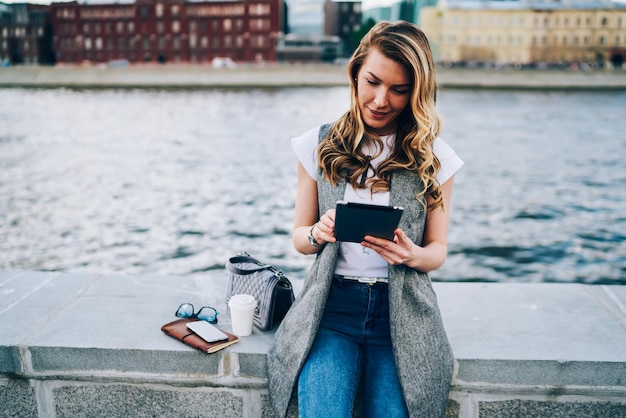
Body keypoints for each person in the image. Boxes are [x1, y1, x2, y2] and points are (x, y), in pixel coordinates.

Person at [268, 21, 464, 418]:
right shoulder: (316, 144)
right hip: (332, 311)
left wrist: (412, 254)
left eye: (398, 89)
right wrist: (319, 232)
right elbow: (299, 239)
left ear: (416, 92)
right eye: (372, 81)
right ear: (355, 72)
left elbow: (438, 251)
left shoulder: (435, 157)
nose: (380, 99)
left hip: (402, 318)